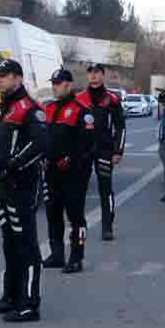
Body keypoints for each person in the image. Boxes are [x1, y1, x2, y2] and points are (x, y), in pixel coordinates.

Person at [0, 59, 48, 323]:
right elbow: (4, 142)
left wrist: (12, 165)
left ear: (17, 79)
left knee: (26, 244)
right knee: (9, 243)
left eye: (3, 76)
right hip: (4, 185)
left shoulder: (30, 108)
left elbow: (40, 143)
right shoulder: (7, 107)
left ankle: (30, 303)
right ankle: (11, 296)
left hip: (22, 186)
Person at [42, 69, 94, 274]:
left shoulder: (82, 110)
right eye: (54, 83)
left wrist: (71, 159)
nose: (55, 87)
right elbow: (42, 138)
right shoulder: (49, 108)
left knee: (76, 217)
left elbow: (88, 143)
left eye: (59, 83)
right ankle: (57, 254)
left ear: (69, 85)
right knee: (53, 214)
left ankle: (76, 257)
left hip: (74, 174)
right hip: (51, 172)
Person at [80, 62, 126, 241]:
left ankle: (107, 227)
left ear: (103, 75)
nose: (93, 76)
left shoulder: (112, 99)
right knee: (78, 190)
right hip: (82, 151)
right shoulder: (79, 98)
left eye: (97, 73)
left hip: (104, 150)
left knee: (105, 189)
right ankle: (78, 226)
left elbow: (120, 126)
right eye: (90, 72)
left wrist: (118, 151)